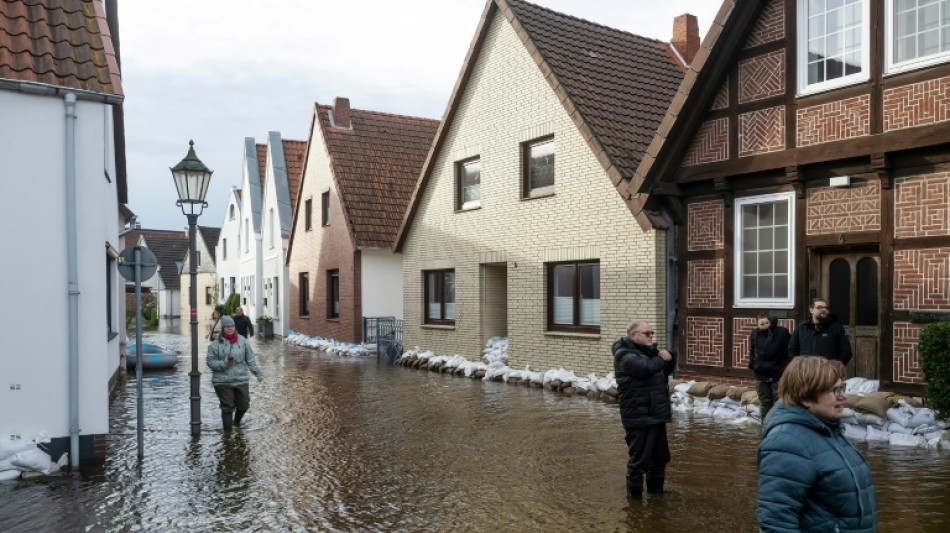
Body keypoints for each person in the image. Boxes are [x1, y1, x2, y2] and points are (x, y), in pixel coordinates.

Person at [757, 356, 877, 532]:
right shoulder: (786, 443)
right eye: (834, 390)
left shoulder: (829, 431)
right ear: (806, 397)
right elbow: (777, 522)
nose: (843, 396)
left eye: (842, 388)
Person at [612, 320, 676, 498]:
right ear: (634, 335)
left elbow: (663, 370)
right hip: (638, 416)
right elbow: (645, 369)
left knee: (660, 459)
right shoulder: (623, 355)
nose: (651, 336)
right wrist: (661, 357)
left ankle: (657, 497)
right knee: (639, 461)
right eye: (647, 333)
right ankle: (635, 504)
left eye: (652, 333)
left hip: (655, 414)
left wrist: (669, 357)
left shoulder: (649, 352)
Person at [206, 315, 264, 432]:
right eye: (227, 327)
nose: (230, 328)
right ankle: (227, 435)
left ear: (235, 327)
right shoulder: (215, 344)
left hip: (240, 379)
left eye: (232, 326)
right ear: (223, 329)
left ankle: (236, 423)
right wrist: (225, 363)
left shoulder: (242, 341)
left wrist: (258, 373)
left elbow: (250, 359)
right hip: (222, 382)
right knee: (227, 408)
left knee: (244, 406)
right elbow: (210, 362)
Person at [748, 313, 792, 424]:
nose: (765, 326)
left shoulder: (781, 332)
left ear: (770, 322)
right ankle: (765, 424)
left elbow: (789, 349)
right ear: (757, 325)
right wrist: (752, 363)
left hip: (777, 372)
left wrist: (785, 366)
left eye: (766, 323)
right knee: (765, 402)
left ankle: (778, 424)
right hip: (761, 373)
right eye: (761, 324)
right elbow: (752, 350)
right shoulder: (755, 334)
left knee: (779, 401)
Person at [788, 298, 852, 366]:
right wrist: (800, 366)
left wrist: (834, 367)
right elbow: (792, 350)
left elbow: (846, 352)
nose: (824, 310)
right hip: (806, 372)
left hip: (828, 372)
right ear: (811, 310)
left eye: (826, 308)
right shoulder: (801, 328)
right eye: (819, 307)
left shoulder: (836, 328)